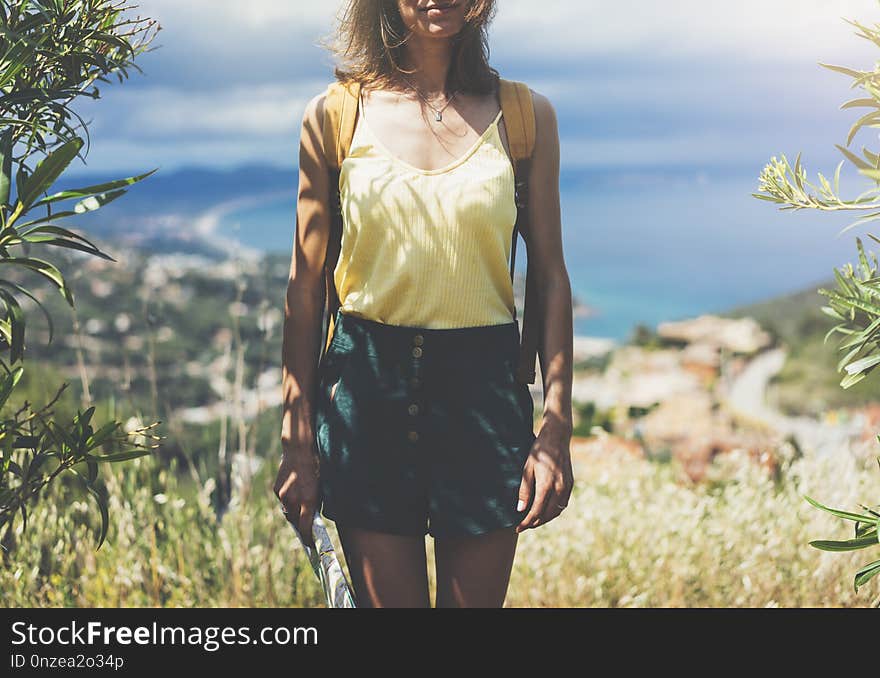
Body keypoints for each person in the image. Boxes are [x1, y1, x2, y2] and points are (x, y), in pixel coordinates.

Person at [275, 0, 574, 608]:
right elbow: (305, 287)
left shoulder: (524, 116)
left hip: (484, 397)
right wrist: (296, 441)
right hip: (368, 396)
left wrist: (556, 429)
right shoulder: (334, 116)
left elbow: (550, 274)